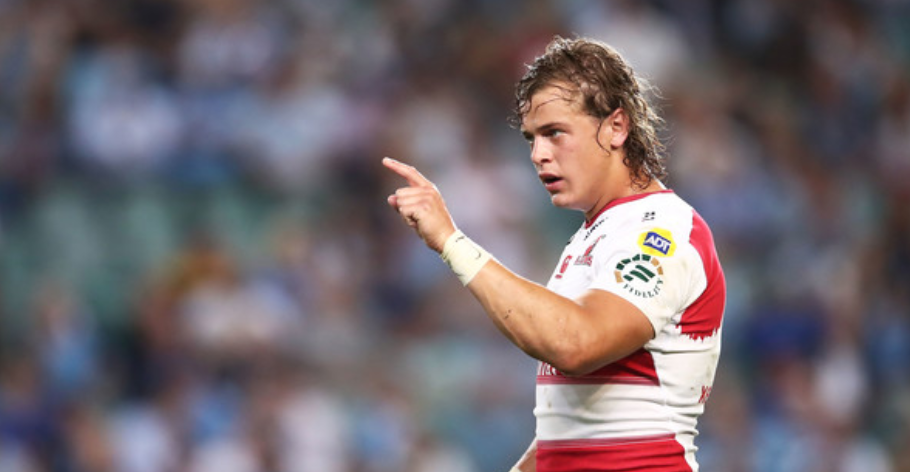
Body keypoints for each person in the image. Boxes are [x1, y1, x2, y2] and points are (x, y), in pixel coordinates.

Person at [383, 36, 726, 472]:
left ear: (616, 127)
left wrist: (452, 242)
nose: (538, 154)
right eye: (531, 138)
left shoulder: (662, 231)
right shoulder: (592, 237)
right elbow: (567, 433)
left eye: (554, 133)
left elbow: (576, 343)